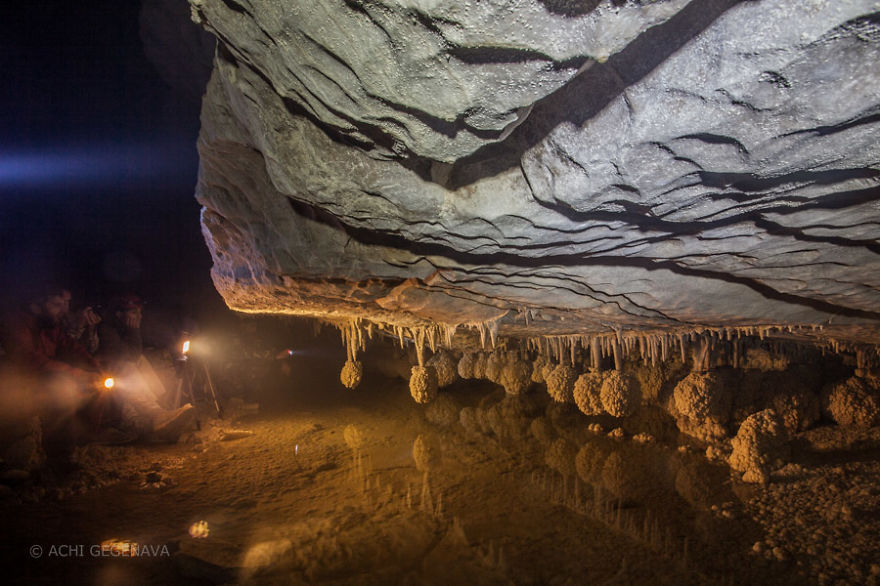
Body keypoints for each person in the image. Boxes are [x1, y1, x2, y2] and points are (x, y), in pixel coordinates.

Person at [0, 286, 111, 455]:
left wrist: (94, 366)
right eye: (57, 305)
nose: (64, 310)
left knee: (98, 384)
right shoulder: (16, 324)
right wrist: (79, 374)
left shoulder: (49, 324)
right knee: (62, 386)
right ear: (35, 304)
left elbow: (70, 345)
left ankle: (85, 439)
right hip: (17, 382)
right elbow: (32, 361)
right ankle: (59, 452)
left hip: (42, 375)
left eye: (66, 304)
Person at [97, 294, 195, 441]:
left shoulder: (123, 328)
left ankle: (160, 410)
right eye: (134, 312)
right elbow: (126, 356)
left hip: (117, 370)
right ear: (118, 314)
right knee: (127, 365)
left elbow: (136, 355)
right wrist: (134, 331)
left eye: (140, 312)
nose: (139, 316)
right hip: (103, 373)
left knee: (140, 361)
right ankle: (156, 414)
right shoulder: (106, 329)